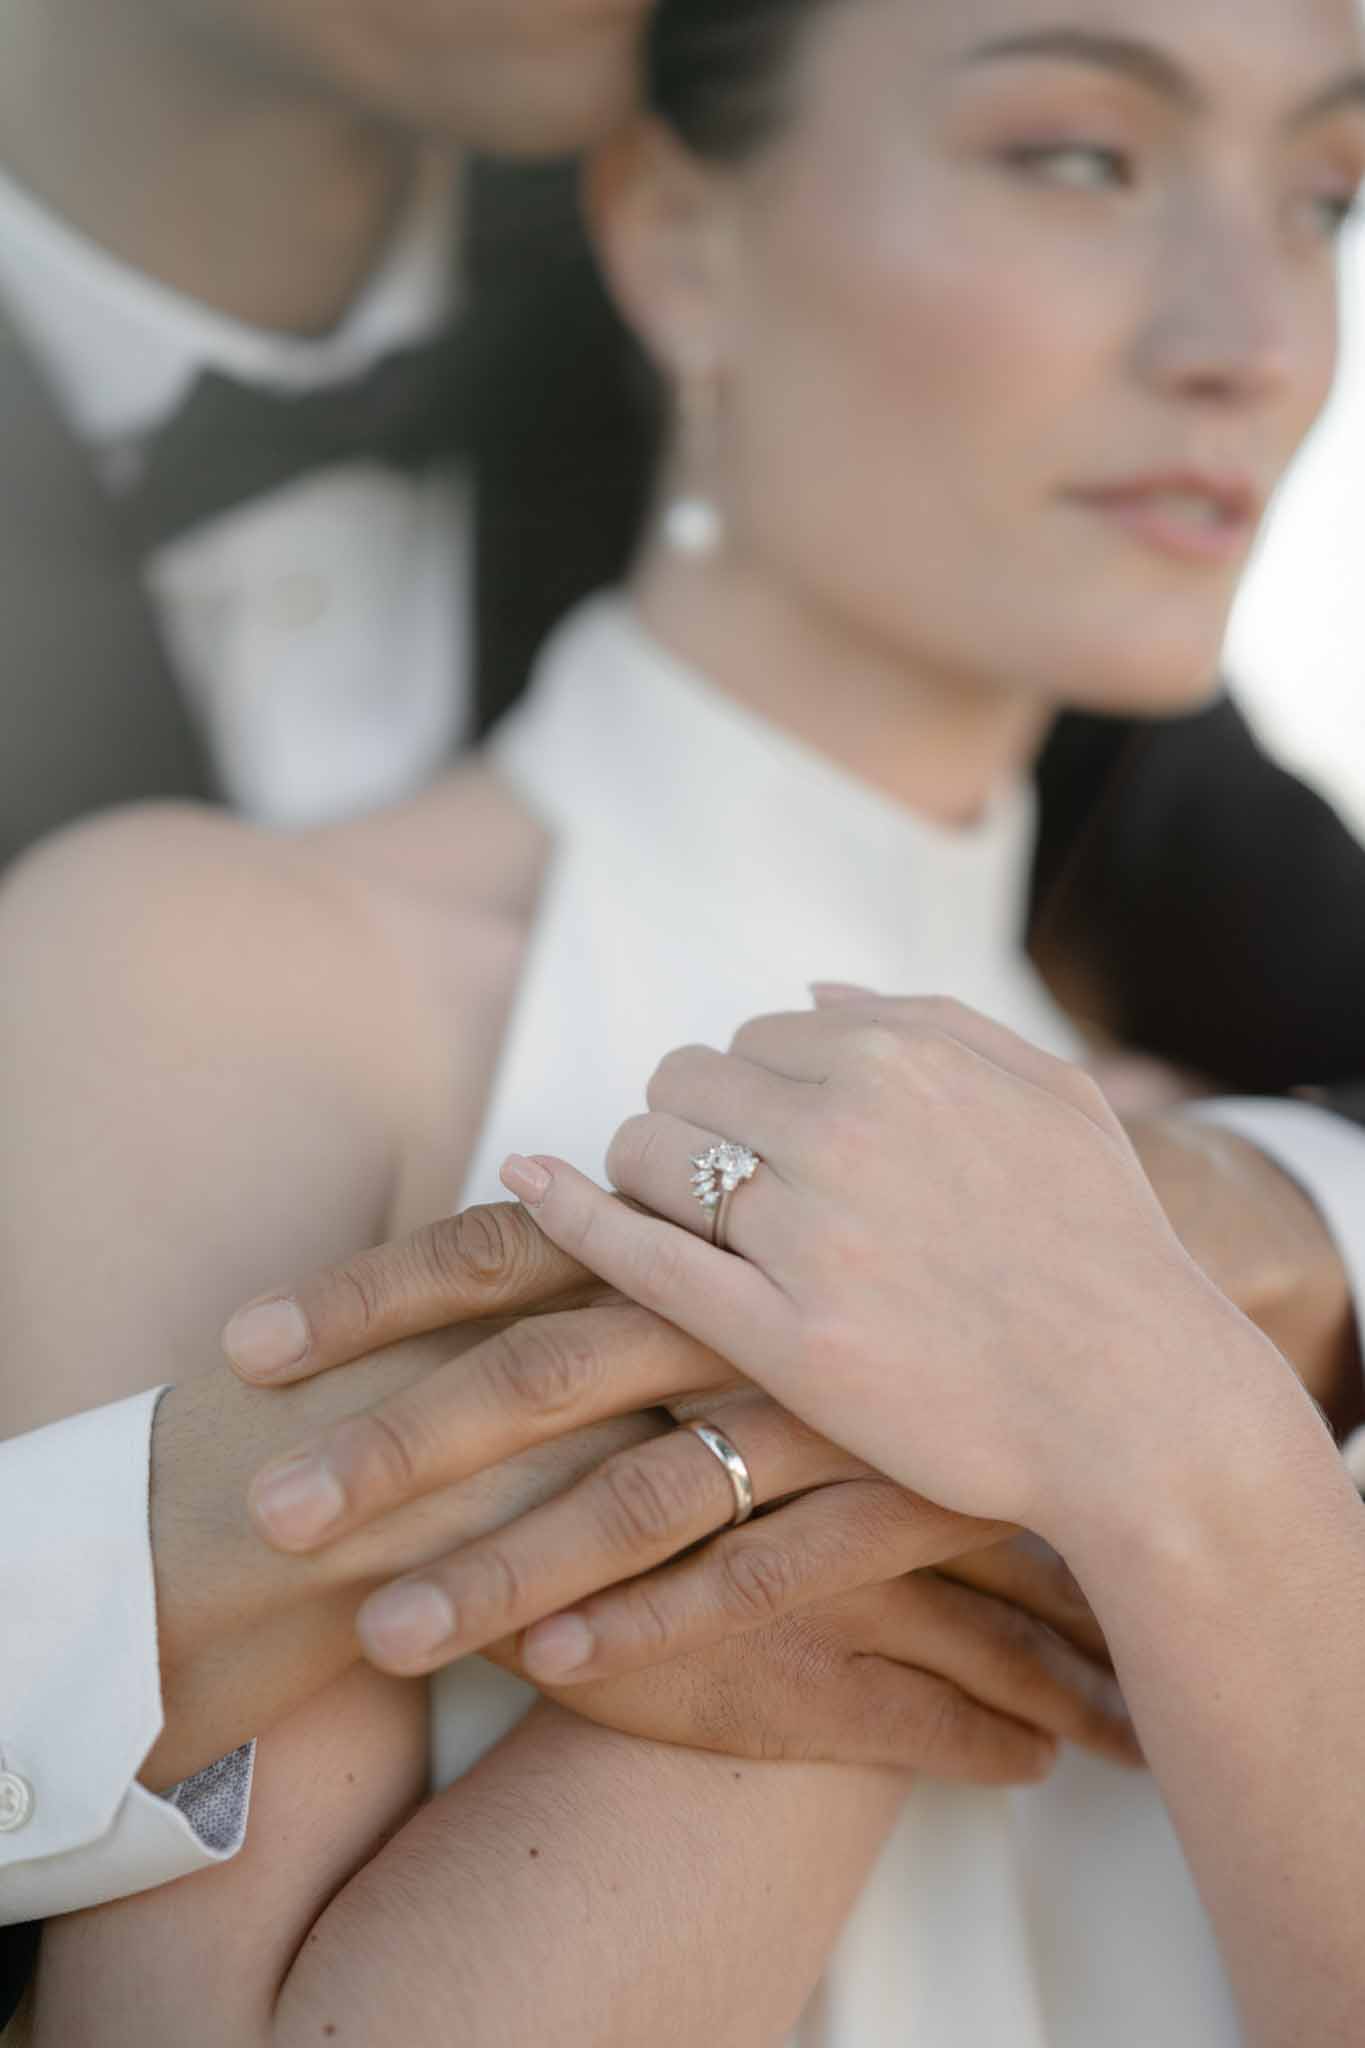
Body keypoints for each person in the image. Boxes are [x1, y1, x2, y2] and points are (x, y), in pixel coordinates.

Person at [6, 0, 1365, 2037]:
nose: (1249, 338)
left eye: (1328, 196)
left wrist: (1165, 1418)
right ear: (669, 231)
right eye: (1072, 155)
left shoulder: (1196, 1088)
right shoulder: (223, 973)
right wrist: (879, 1446)